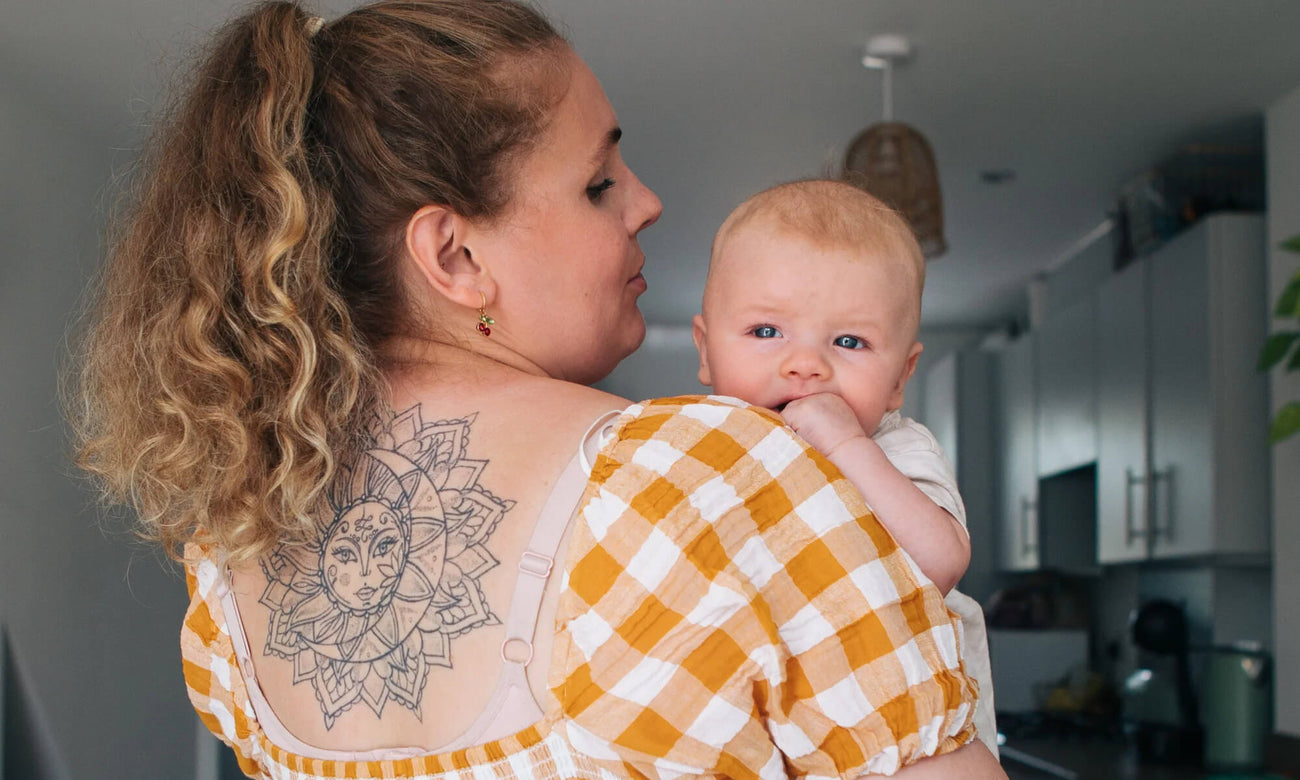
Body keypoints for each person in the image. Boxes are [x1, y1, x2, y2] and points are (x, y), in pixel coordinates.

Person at [71, 1, 1005, 778]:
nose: (647, 203)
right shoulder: (707, 475)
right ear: (456, 253)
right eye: (599, 182)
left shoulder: (238, 539)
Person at [691, 180, 998, 754]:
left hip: (914, 729)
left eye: (850, 341)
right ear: (706, 351)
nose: (805, 364)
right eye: (765, 332)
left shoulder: (894, 448)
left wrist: (849, 449)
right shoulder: (714, 447)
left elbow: (940, 563)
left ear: (900, 378)